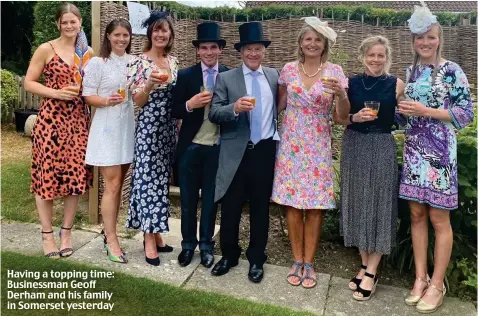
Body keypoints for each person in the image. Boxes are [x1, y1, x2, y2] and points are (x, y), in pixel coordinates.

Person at [397, 3, 474, 313]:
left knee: (438, 218)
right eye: (419, 38)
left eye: (429, 37)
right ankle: (420, 277)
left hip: (441, 153)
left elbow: (465, 114)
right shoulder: (410, 72)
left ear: (439, 38)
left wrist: (425, 111)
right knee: (416, 214)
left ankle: (437, 283)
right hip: (414, 150)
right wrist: (398, 108)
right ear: (413, 41)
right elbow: (403, 118)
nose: (424, 43)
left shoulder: (453, 70)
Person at [271, 17, 349, 289]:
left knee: (315, 206)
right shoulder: (288, 70)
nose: (312, 43)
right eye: (308, 39)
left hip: (317, 144)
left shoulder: (335, 72)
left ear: (324, 44)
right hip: (292, 143)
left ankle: (310, 262)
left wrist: (341, 95)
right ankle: (296, 259)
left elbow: (341, 117)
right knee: (291, 204)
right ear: (300, 44)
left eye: (318, 39)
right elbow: (278, 105)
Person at [209, 22, 280, 283]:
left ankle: (256, 259)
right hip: (236, 152)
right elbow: (214, 113)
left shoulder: (273, 76)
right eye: (249, 49)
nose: (253, 53)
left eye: (258, 49)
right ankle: (228, 255)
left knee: (261, 207)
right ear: (241, 52)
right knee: (231, 205)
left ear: (263, 51)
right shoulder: (226, 78)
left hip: (263, 150)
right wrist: (234, 108)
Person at [335, 35, 404, 300]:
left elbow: (406, 114)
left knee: (380, 205)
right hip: (354, 145)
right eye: (371, 55)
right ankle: (364, 265)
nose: (376, 60)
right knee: (358, 203)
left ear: (387, 58)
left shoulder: (396, 84)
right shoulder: (350, 83)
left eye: (381, 56)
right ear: (363, 56)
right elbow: (339, 117)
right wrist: (354, 117)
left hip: (381, 146)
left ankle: (372, 272)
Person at [24, 3, 93, 259]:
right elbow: (29, 81)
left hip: (77, 124)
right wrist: (55, 93)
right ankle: (47, 234)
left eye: (73, 21)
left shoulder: (87, 54)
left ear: (80, 23)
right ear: (57, 24)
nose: (69, 25)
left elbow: (94, 87)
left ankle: (66, 232)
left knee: (74, 180)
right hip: (51, 122)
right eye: (64, 22)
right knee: (47, 178)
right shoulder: (46, 49)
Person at [172, 22, 228, 268]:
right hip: (191, 147)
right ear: (197, 51)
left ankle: (206, 245)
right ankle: (187, 245)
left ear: (220, 50)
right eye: (203, 48)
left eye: (213, 47)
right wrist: (189, 104)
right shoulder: (186, 76)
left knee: (210, 201)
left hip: (217, 147)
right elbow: (173, 109)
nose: (208, 52)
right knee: (187, 201)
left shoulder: (229, 75)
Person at [126, 11, 178, 266]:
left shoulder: (173, 62)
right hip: (148, 128)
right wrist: (148, 84)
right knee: (147, 181)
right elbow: (137, 101)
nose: (160, 34)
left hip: (169, 130)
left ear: (170, 35)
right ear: (150, 33)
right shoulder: (139, 62)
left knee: (161, 183)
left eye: (164, 30)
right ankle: (148, 238)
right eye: (156, 30)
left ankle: (156, 234)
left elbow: (177, 99)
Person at [82, 18, 134, 264]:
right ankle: (111, 238)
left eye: (125, 35)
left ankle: (108, 230)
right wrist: (105, 101)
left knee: (119, 184)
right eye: (117, 35)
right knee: (112, 185)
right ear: (108, 37)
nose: (121, 39)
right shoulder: (97, 63)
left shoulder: (134, 62)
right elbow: (87, 95)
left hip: (127, 129)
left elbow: (140, 92)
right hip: (106, 129)